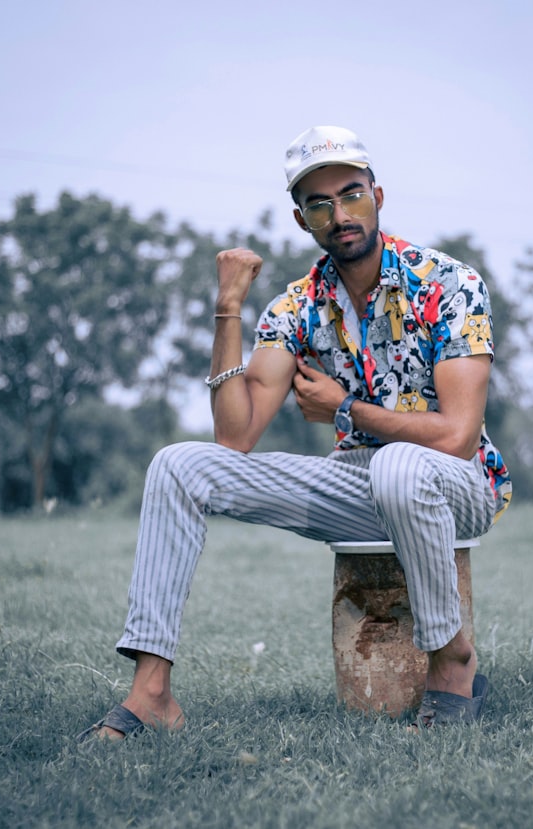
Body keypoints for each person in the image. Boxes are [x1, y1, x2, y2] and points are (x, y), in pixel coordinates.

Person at [78, 125, 511, 739]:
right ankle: (151, 694)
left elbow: (459, 436)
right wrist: (228, 305)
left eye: (352, 194)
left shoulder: (448, 285)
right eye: (319, 204)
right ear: (302, 218)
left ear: (378, 197)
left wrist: (347, 409)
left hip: (454, 485)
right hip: (356, 483)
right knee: (179, 464)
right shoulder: (298, 306)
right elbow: (236, 436)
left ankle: (452, 661)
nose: (340, 214)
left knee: (398, 466)